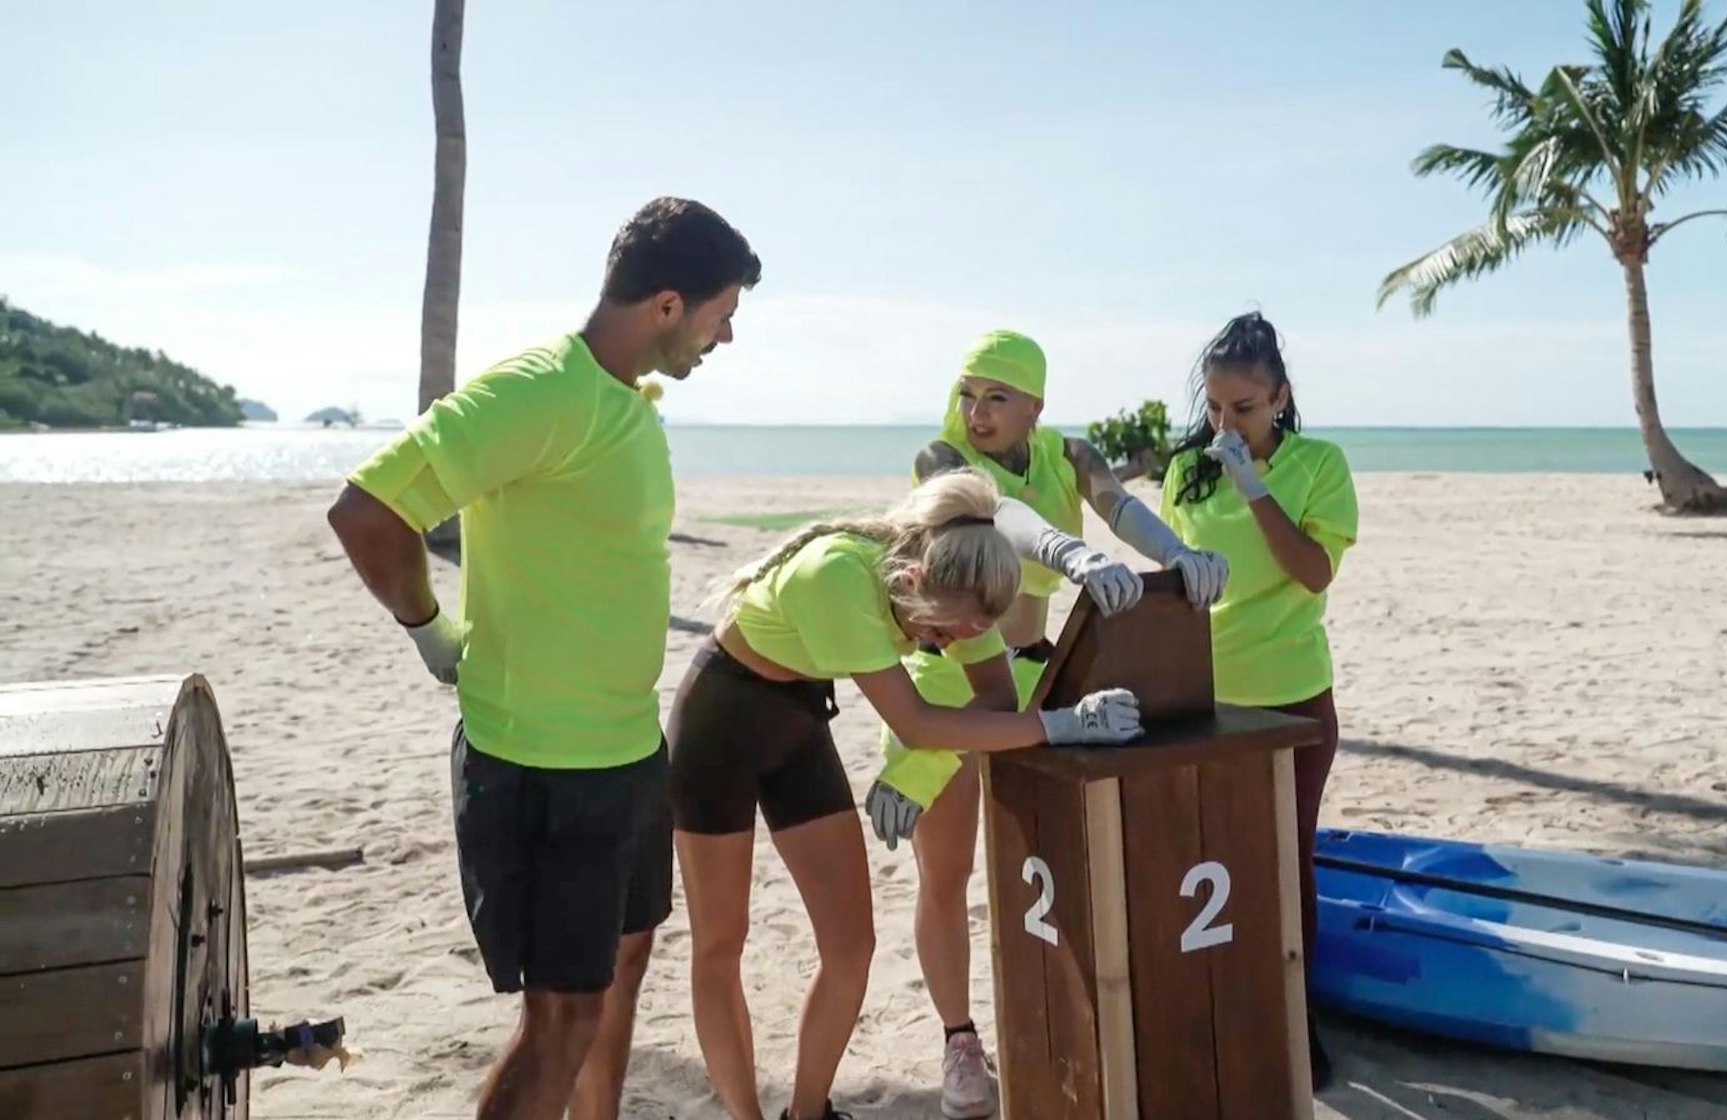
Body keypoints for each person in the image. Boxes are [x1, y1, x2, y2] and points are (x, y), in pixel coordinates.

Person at [326, 196, 760, 1120]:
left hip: (628, 750)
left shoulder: (629, 401)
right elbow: (368, 513)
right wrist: (428, 632)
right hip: (542, 766)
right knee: (562, 1016)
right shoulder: (537, 390)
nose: (727, 339)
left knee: (623, 963)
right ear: (670, 304)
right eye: (724, 315)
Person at [667, 467, 1143, 1120]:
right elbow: (916, 721)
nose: (947, 645)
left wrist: (1024, 725)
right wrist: (1061, 725)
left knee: (851, 945)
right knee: (721, 942)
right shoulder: (838, 577)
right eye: (942, 634)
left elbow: (996, 699)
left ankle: (805, 1114)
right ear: (914, 581)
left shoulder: (960, 584)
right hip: (719, 719)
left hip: (797, 716)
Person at [860, 329, 1230, 1118]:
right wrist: (1070, 555)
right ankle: (961, 1039)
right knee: (947, 871)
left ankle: (1065, 1017)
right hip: (949, 672)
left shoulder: (1072, 452)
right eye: (968, 392)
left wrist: (1177, 555)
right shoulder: (940, 460)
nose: (977, 411)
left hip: (1036, 674)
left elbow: (1118, 505)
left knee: (1051, 864)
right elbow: (1006, 516)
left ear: (1036, 404)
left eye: (997, 396)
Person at [1156, 311, 1357, 1091]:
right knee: (1206, 861)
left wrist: (1255, 487)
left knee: (1284, 860)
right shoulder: (1186, 471)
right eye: (1213, 407)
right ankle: (1217, 1002)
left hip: (1293, 699)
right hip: (1203, 700)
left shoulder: (1320, 466)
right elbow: (1178, 578)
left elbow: (1312, 571)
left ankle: (1293, 1015)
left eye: (1242, 407)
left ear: (1279, 397)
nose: (1224, 423)